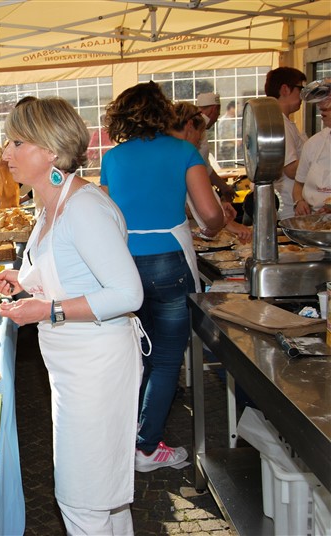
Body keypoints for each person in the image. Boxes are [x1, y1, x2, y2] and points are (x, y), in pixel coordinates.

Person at [0, 96, 144, 535]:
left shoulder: (84, 207)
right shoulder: (51, 200)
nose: (5, 153)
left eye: (17, 142)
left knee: (82, 498)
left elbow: (128, 293)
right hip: (73, 365)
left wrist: (48, 308)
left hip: (96, 368)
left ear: (50, 151)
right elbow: (70, 272)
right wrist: (22, 279)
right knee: (103, 495)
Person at [101, 81, 225, 473]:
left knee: (136, 355)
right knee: (167, 359)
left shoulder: (113, 158)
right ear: (163, 112)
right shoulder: (184, 151)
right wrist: (214, 227)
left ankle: (125, 439)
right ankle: (146, 446)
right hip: (171, 263)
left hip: (124, 266)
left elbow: (105, 216)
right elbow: (210, 214)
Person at [170, 103, 252, 242]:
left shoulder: (166, 151)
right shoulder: (184, 153)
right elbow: (210, 214)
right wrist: (225, 222)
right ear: (190, 126)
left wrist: (218, 205)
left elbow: (183, 203)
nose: (199, 141)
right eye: (200, 133)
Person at [264, 67, 308, 219]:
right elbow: (291, 169)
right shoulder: (279, 123)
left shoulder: (282, 121)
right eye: (300, 89)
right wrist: (319, 163)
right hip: (288, 208)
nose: (302, 96)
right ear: (284, 89)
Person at [293, 95, 331, 215]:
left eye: (328, 106)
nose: (322, 109)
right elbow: (298, 184)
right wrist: (299, 202)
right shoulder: (313, 143)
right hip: (314, 220)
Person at [196, 93, 237, 202]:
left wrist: (224, 187)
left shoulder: (199, 128)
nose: (216, 119)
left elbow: (205, 165)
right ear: (214, 109)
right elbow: (201, 166)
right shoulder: (198, 131)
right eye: (218, 113)